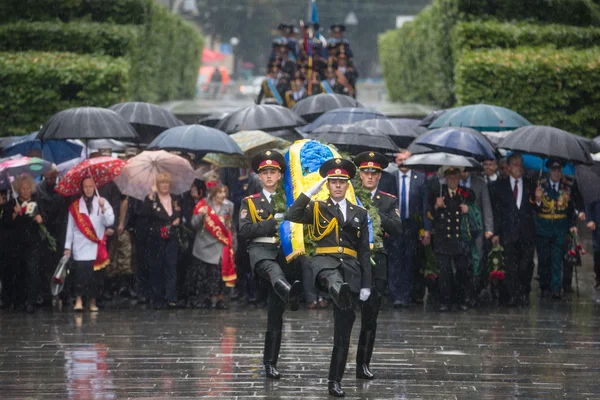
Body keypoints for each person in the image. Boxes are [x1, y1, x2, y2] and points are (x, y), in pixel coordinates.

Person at [286, 158, 371, 398]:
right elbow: (292, 213)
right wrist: (309, 192)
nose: (337, 186)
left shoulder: (360, 213)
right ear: (327, 184)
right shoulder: (316, 207)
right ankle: (337, 289)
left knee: (343, 331)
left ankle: (335, 381)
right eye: (332, 181)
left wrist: (366, 285)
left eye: (341, 182)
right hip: (325, 263)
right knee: (333, 279)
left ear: (347, 185)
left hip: (352, 269)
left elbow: (364, 251)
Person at [238, 150, 302, 380]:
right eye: (264, 172)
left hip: (283, 254)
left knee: (276, 314)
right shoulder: (250, 202)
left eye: (273, 172)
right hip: (261, 252)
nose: (268, 176)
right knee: (273, 272)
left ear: (279, 175)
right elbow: (244, 230)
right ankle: (288, 291)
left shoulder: (289, 200)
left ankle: (270, 363)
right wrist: (271, 222)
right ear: (258, 175)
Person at [353, 151, 402, 379]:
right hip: (353, 262)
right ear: (360, 174)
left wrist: (374, 214)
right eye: (366, 172)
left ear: (380, 175)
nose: (370, 177)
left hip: (377, 261)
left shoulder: (388, 200)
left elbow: (397, 227)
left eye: (374, 173)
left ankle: (363, 363)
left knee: (370, 316)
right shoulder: (351, 196)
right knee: (345, 315)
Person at [387, 150, 431, 307]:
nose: (403, 162)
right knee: (394, 259)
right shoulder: (391, 178)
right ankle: (395, 294)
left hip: (413, 224)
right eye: (400, 159)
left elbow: (425, 206)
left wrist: (426, 229)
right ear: (395, 161)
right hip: (395, 224)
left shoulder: (420, 179)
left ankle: (406, 294)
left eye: (406, 159)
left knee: (409, 260)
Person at [492, 153, 537, 306]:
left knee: (526, 264)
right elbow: (496, 211)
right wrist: (496, 232)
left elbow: (536, 208)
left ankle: (524, 292)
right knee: (510, 265)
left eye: (521, 165)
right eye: (516, 165)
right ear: (509, 167)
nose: (519, 168)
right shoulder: (500, 185)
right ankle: (512, 294)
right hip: (508, 231)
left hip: (526, 232)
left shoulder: (531, 184)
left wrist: (537, 200)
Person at [64, 177, 115, 312]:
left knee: (95, 277)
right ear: (82, 188)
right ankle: (79, 300)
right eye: (85, 186)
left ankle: (93, 301)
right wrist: (67, 246)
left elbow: (110, 221)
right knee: (80, 275)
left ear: (95, 187)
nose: (88, 189)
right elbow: (70, 228)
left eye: (91, 186)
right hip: (81, 246)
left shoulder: (102, 202)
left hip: (96, 246)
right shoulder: (75, 206)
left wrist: (103, 207)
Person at [431, 167, 477, 312]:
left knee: (462, 271)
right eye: (450, 177)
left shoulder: (466, 194)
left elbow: (474, 210)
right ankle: (445, 301)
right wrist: (436, 207)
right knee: (445, 273)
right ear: (445, 177)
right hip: (443, 239)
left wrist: (467, 209)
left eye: (455, 177)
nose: (452, 180)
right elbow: (429, 216)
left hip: (459, 240)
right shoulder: (438, 192)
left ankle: (462, 299)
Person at [534, 159, 577, 299]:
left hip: (560, 228)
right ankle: (545, 286)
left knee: (557, 259)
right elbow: (534, 207)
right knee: (544, 259)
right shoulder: (541, 185)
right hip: (543, 227)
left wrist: (573, 224)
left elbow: (572, 208)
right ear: (549, 171)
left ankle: (556, 287)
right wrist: (538, 198)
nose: (556, 173)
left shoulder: (567, 186)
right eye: (554, 170)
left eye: (559, 170)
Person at [2, 174, 45, 313]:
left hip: (33, 243)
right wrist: (14, 215)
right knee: (18, 271)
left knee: (32, 271)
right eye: (22, 189)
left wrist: (40, 220)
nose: (25, 191)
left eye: (28, 189)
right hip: (16, 244)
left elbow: (46, 221)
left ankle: (30, 301)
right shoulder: (11, 204)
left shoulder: (37, 203)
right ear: (18, 189)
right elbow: (5, 224)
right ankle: (18, 300)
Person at [189, 181, 235, 309]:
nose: (223, 194)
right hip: (203, 245)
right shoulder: (203, 204)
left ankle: (220, 298)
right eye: (220, 192)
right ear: (213, 193)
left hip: (220, 245)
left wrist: (233, 245)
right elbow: (194, 224)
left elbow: (232, 227)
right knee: (203, 274)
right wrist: (201, 215)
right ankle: (205, 298)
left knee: (219, 274)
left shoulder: (229, 206)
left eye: (224, 192)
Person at [142, 173, 182, 309]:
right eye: (162, 183)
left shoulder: (176, 198)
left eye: (167, 183)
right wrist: (150, 197)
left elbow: (180, 212)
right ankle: (157, 297)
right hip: (156, 238)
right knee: (157, 267)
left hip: (172, 238)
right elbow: (145, 214)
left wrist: (178, 219)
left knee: (171, 266)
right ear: (157, 185)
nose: (165, 185)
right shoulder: (152, 199)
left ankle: (171, 297)